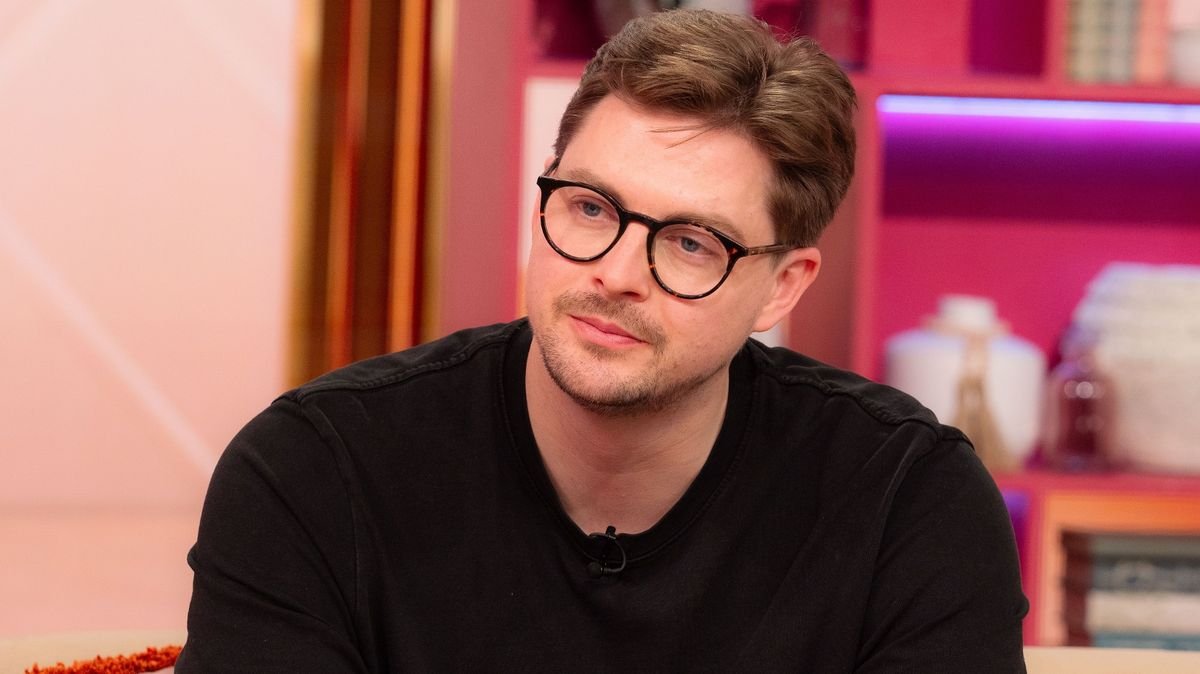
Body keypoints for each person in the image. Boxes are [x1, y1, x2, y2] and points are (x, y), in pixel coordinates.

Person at [177, 9, 1027, 673]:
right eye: (589, 208)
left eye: (691, 242)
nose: (616, 273)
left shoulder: (908, 502)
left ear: (783, 286)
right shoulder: (314, 473)